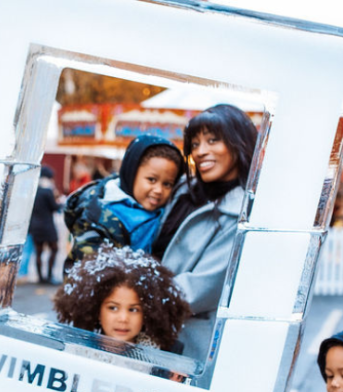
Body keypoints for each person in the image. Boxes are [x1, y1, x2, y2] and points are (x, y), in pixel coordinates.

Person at [152, 104, 258, 362]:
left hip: (187, 347)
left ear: (239, 143)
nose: (201, 152)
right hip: (146, 331)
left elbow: (200, 289)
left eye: (213, 140)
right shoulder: (182, 192)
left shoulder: (241, 213)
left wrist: (132, 298)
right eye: (196, 144)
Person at [64, 135, 183, 271]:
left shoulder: (167, 214)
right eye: (151, 179)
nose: (159, 190)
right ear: (131, 174)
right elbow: (84, 269)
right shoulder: (99, 214)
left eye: (167, 184)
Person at [53, 244, 191, 352]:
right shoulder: (74, 351)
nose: (123, 318)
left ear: (149, 313)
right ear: (96, 309)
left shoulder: (164, 359)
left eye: (134, 309)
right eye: (113, 308)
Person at [28, 165, 61, 284]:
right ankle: (50, 275)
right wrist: (60, 202)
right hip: (47, 224)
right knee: (54, 248)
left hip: (35, 225)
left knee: (38, 251)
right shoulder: (48, 191)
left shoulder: (34, 190)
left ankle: (41, 277)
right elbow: (55, 207)